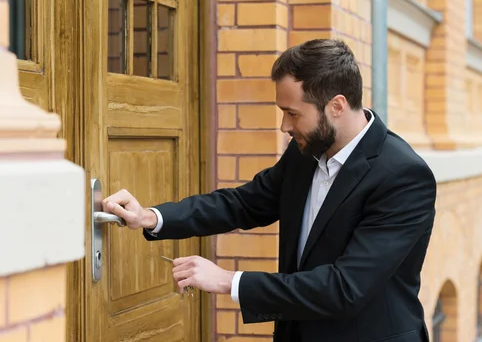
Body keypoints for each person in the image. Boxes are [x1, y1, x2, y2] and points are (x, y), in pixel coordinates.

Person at [102, 39, 437, 342]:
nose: (284, 127)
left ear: (336, 106)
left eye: (293, 114)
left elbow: (345, 288)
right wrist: (151, 217)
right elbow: (243, 204)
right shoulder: (306, 152)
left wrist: (228, 280)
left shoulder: (403, 176)